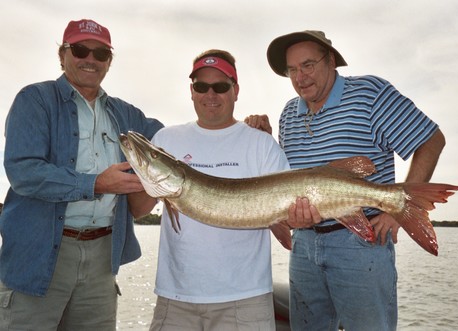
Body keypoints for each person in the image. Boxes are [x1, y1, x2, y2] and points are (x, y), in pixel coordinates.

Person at [246, 30, 446, 331]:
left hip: (359, 244)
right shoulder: (289, 113)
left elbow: (431, 140)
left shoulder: (370, 94)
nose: (300, 77)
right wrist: (264, 140)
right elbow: (292, 179)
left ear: (330, 61)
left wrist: (396, 212)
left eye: (308, 65)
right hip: (303, 246)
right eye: (292, 70)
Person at [0, 19, 163, 330]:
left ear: (109, 62)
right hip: (37, 257)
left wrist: (245, 130)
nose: (91, 59)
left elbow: (174, 141)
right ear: (62, 55)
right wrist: (96, 183)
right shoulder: (34, 101)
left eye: (101, 54)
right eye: (80, 49)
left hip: (103, 259)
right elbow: (23, 171)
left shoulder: (127, 114)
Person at [128, 49, 292, 331]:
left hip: (246, 299)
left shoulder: (262, 144)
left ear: (235, 90)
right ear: (191, 91)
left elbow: (287, 231)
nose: (210, 94)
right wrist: (148, 176)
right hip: (175, 298)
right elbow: (138, 209)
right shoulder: (166, 140)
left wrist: (298, 217)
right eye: (201, 86)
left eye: (220, 86)